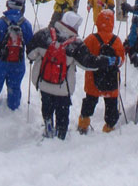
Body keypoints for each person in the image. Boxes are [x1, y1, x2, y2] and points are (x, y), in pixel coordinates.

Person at [26, 11, 112, 140]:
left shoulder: (44, 35)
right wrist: (106, 60)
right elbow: (88, 63)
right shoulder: (75, 44)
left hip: (44, 83)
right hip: (63, 88)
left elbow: (30, 54)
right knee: (62, 111)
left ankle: (48, 122)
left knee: (47, 105)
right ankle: (61, 134)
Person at [0, 0, 34, 116]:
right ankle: (13, 110)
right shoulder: (25, 24)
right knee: (14, 86)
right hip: (18, 62)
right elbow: (31, 44)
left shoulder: (0, 23)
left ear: (8, 5)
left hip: (1, 61)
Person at [78, 9, 125, 134]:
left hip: (93, 79)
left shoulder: (91, 38)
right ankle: (109, 127)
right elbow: (121, 61)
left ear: (98, 22)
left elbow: (82, 55)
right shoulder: (117, 40)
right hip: (112, 80)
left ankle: (83, 124)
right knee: (111, 105)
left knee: (89, 102)